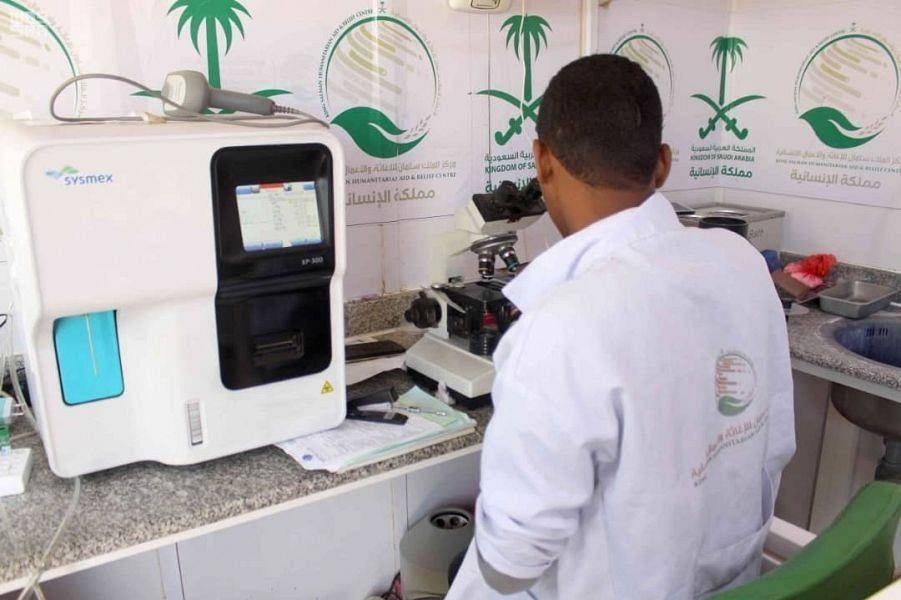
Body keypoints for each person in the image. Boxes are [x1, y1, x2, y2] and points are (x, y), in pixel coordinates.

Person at [445, 54, 795, 599]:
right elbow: (774, 445)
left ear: (541, 162)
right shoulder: (742, 261)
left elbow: (512, 562)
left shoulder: (562, 327)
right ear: (662, 164)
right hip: (733, 579)